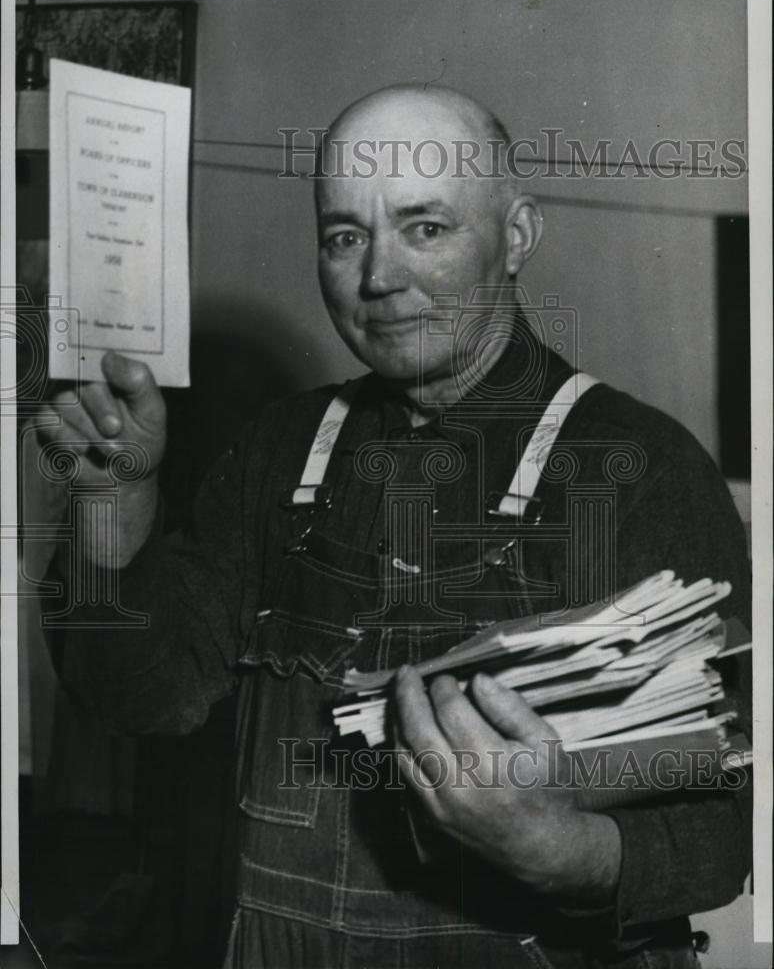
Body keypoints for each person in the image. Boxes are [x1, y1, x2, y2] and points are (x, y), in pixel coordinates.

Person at [36, 84, 751, 968]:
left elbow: (726, 830)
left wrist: (559, 852)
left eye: (426, 229)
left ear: (516, 235)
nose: (377, 277)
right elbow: (137, 697)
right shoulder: (277, 452)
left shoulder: (640, 467)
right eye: (345, 237)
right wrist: (111, 505)